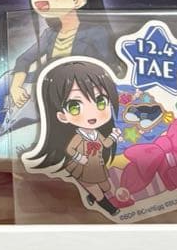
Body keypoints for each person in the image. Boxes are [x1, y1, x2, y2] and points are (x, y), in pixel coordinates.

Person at [23, 58, 121, 216]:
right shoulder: (78, 137)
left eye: (101, 101)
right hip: (82, 169)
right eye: (75, 106)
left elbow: (106, 144)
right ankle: (111, 209)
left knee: (106, 187)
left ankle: (91, 195)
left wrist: (114, 136)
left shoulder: (96, 133)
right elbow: (70, 149)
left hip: (97, 166)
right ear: (62, 116)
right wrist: (79, 157)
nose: (92, 113)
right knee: (98, 192)